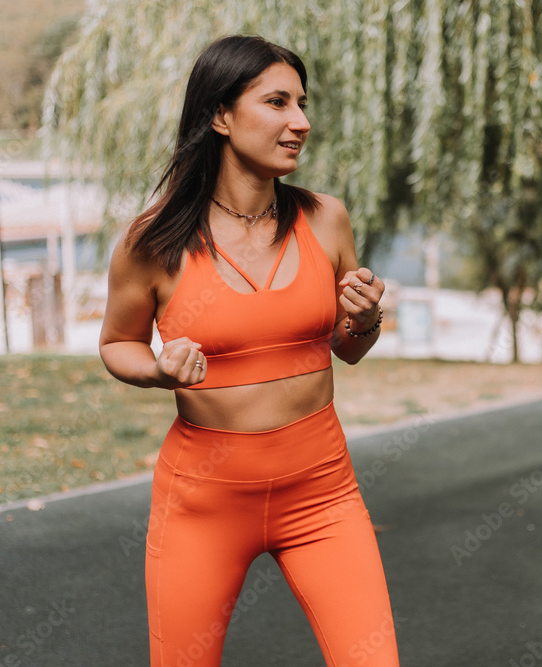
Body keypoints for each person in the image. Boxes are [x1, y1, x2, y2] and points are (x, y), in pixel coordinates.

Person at [98, 35, 398, 667]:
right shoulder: (152, 241)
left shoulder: (326, 218)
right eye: (278, 102)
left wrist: (365, 320)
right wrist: (156, 369)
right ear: (222, 115)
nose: (302, 122)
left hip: (323, 493)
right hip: (202, 504)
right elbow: (117, 343)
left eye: (303, 104)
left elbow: (348, 349)